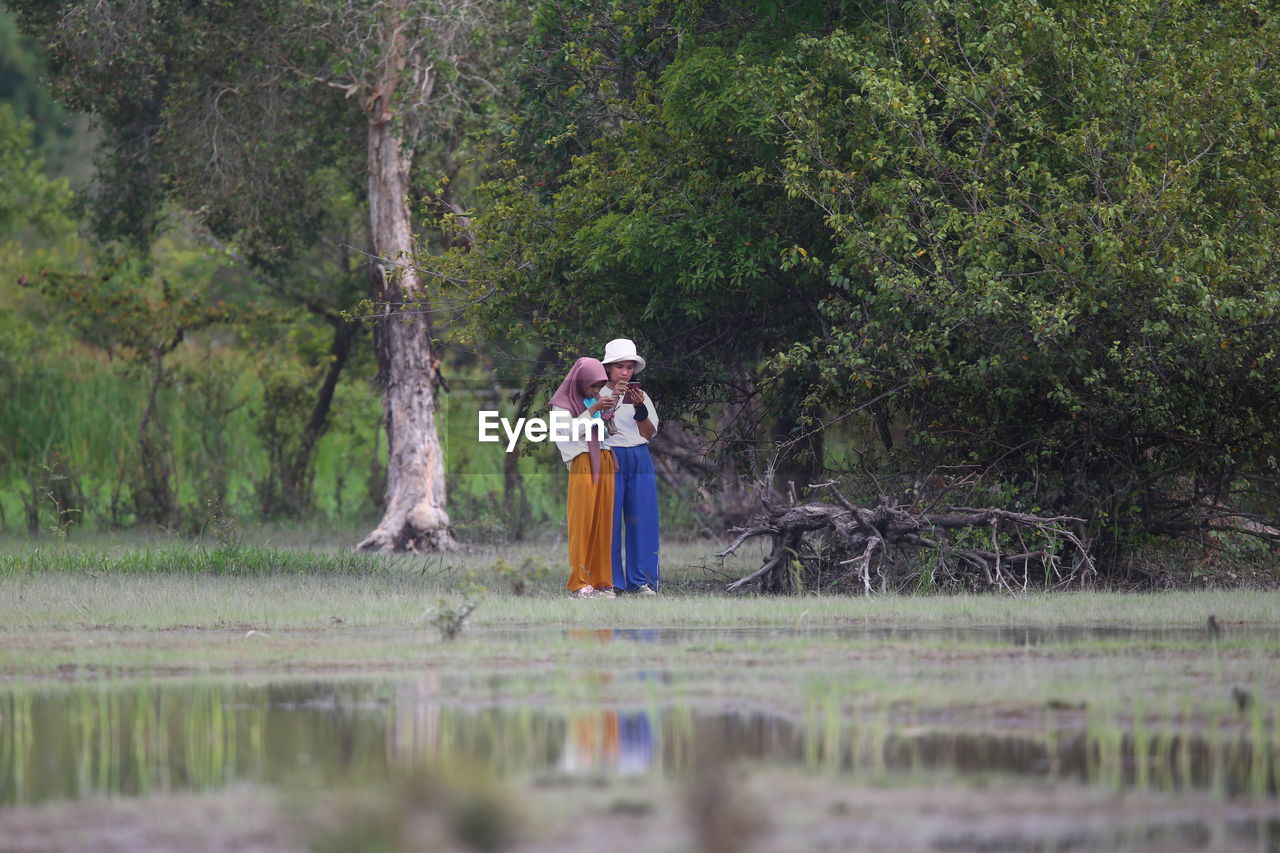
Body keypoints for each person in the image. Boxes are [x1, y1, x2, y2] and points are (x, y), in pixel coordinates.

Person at [550, 357, 619, 599]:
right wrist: (593, 410)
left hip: (604, 457)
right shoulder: (561, 404)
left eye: (600, 387)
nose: (596, 391)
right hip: (582, 462)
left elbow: (604, 432)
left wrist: (607, 413)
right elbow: (566, 433)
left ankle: (601, 581)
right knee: (582, 523)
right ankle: (579, 583)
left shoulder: (593, 400)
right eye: (593, 386)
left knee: (603, 523)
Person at [599, 339, 661, 595]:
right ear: (608, 369)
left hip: (639, 456)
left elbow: (648, 434)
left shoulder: (641, 396)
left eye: (629, 367)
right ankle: (612, 581)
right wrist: (613, 399)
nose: (625, 372)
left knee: (642, 518)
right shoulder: (595, 394)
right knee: (609, 521)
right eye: (619, 366)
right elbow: (593, 429)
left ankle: (642, 581)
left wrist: (639, 408)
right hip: (610, 456)